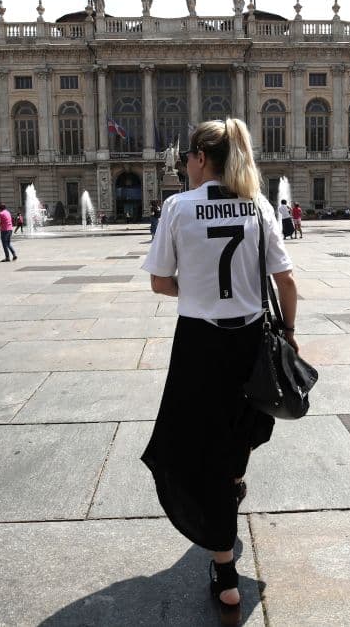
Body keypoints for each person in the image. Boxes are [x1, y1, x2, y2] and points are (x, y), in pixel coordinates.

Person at [142, 118, 297, 624]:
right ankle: (232, 483)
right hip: (251, 343)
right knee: (237, 436)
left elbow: (161, 283)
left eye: (187, 158)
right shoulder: (258, 206)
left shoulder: (178, 207)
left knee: (194, 447)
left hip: (199, 346)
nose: (185, 165)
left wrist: (202, 287)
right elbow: (287, 283)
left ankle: (225, 570)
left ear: (200, 159)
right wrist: (289, 333)